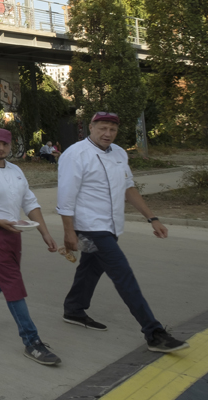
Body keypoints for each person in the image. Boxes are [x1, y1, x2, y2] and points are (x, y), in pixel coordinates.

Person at [58, 112, 189, 353]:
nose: (107, 133)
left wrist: (152, 218)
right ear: (91, 127)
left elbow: (129, 188)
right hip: (90, 227)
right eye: (102, 128)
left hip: (112, 225)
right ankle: (154, 332)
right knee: (123, 275)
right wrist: (69, 233)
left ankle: (74, 309)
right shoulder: (75, 154)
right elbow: (66, 197)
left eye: (112, 129)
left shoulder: (119, 153)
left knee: (90, 269)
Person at [0, 128, 63, 366]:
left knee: (0, 277)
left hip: (14, 232)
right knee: (12, 282)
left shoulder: (16, 170)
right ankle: (31, 342)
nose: (1, 148)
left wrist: (44, 232)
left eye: (5, 144)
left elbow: (30, 202)